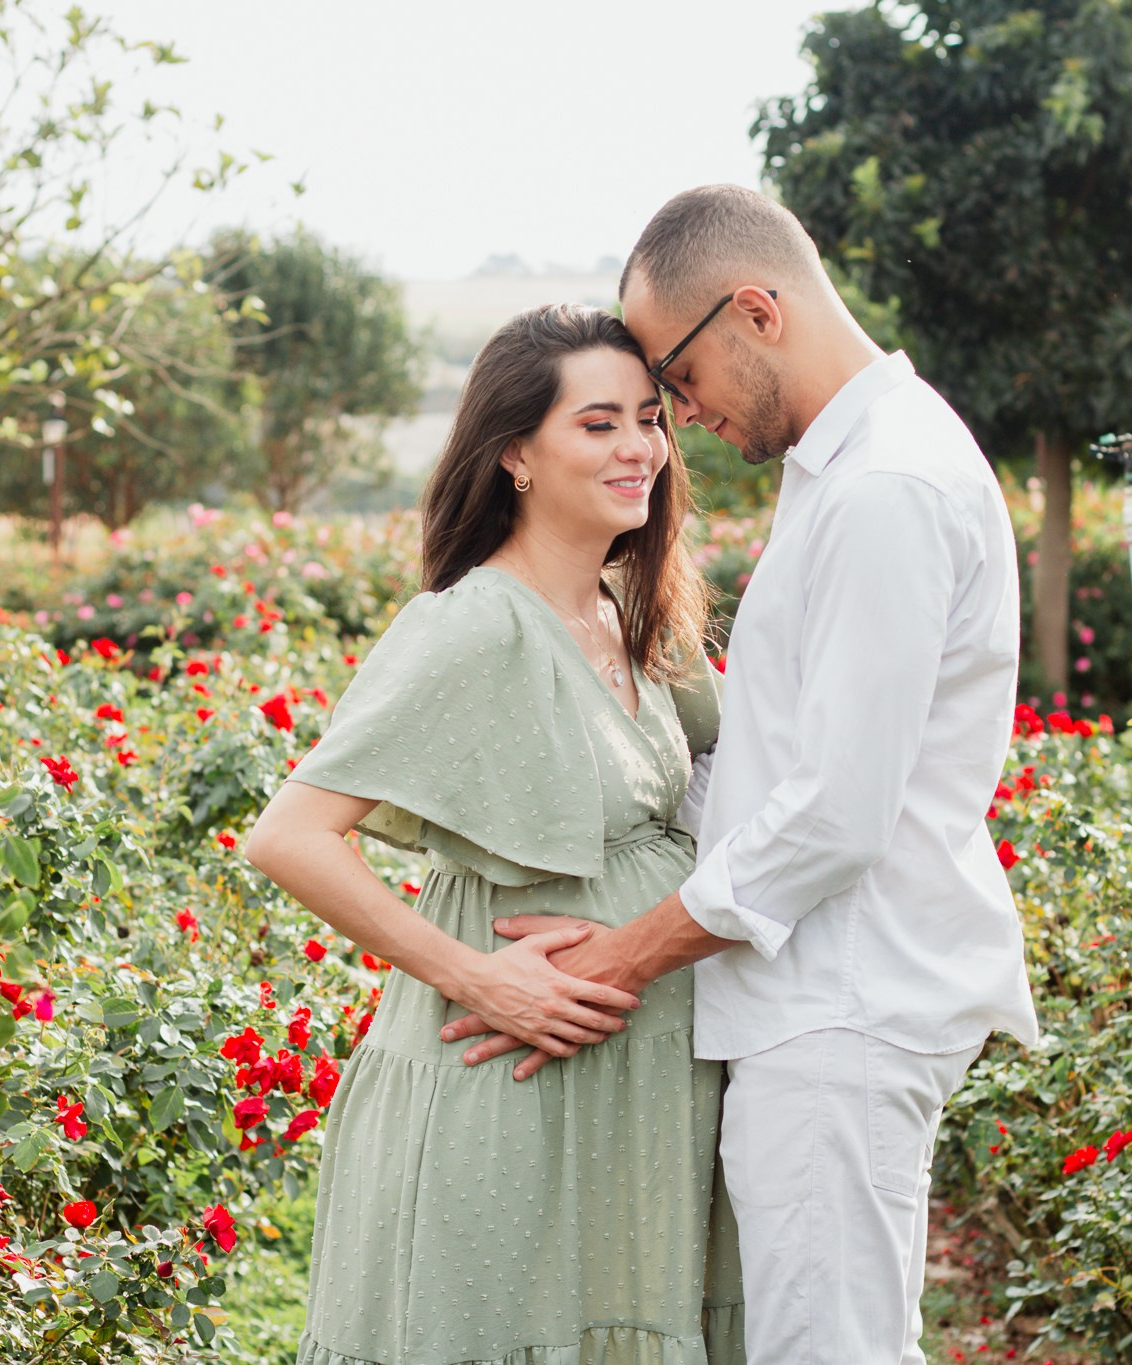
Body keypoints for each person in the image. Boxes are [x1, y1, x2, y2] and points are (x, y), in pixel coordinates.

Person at [446, 185, 1041, 1364]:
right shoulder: (852, 470)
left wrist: (615, 958)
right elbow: (773, 763)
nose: (674, 416)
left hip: (844, 999)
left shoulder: (885, 488)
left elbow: (831, 815)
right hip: (816, 996)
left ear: (755, 311)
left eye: (673, 376)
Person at [243, 303, 744, 1365]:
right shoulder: (472, 622)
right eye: (597, 423)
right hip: (513, 1083)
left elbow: (748, 766)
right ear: (514, 452)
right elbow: (290, 835)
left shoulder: (633, 607)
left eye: (650, 419)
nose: (638, 448)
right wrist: (477, 978)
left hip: (641, 1091)